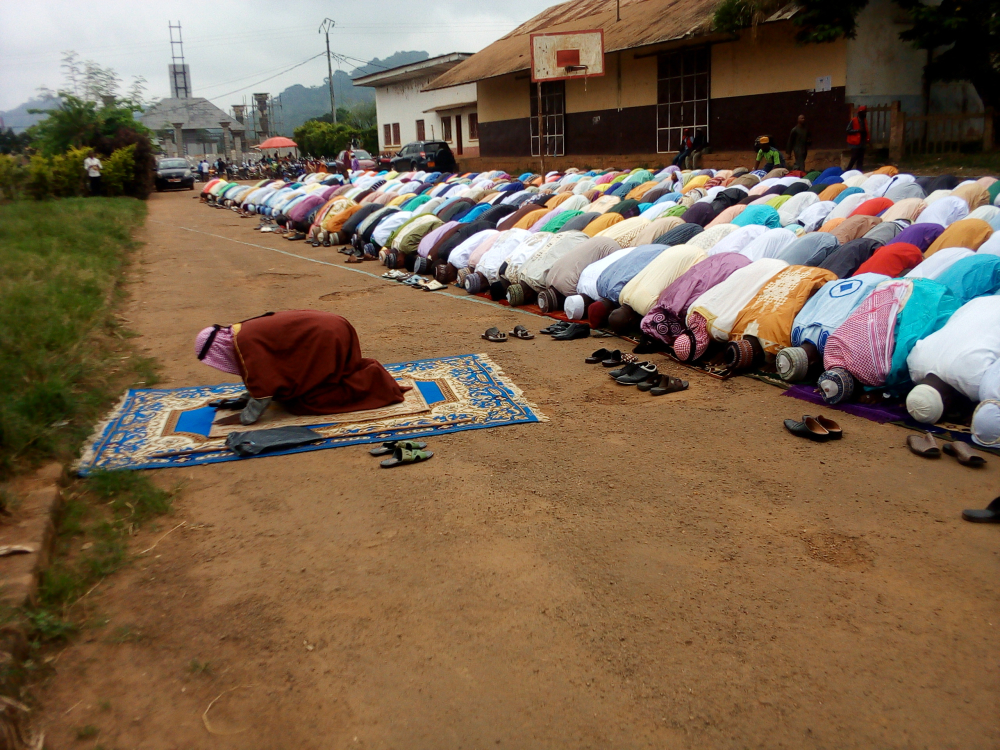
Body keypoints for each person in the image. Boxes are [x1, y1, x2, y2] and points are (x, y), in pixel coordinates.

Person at [194, 310, 409, 425]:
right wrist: (243, 399)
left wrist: (244, 418)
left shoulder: (245, 343)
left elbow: (264, 386)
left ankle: (374, 379)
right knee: (333, 374)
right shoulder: (239, 334)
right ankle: (369, 375)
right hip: (329, 328)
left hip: (325, 336)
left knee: (306, 401)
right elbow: (267, 372)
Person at [846, 106, 869, 171]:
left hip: (863, 142)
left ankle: (859, 171)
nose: (865, 114)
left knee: (861, 159)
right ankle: (847, 170)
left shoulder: (864, 121)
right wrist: (858, 130)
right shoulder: (853, 120)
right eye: (864, 112)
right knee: (854, 157)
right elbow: (848, 130)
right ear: (860, 113)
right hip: (855, 142)